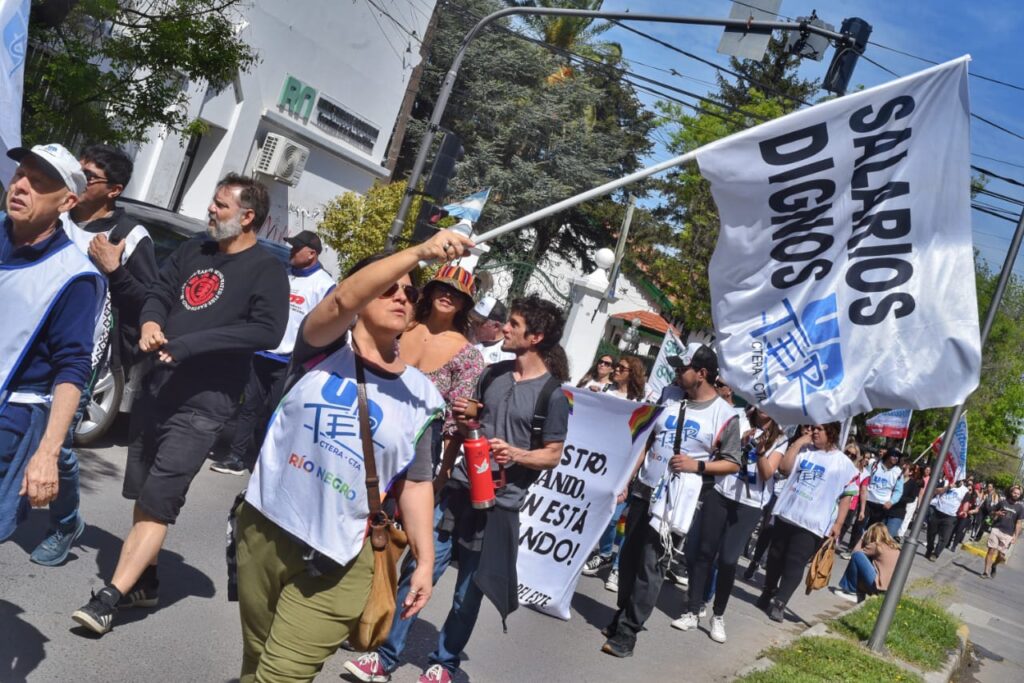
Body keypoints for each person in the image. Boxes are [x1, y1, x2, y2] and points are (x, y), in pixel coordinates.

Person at [237, 229, 473, 682]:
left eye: (410, 291)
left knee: (281, 676)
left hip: (341, 557)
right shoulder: (321, 347)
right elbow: (341, 302)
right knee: (255, 662)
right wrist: (420, 252)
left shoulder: (422, 396)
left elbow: (417, 482)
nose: (402, 296)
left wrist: (424, 561)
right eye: (387, 287)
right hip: (265, 528)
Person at [71, 174, 289, 635]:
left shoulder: (266, 270)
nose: (211, 210)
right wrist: (151, 322)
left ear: (247, 216)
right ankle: (145, 579)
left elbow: (266, 331)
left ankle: (109, 597)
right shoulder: (195, 249)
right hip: (157, 390)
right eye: (212, 203)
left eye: (220, 205)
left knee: (159, 501)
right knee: (144, 491)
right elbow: (160, 292)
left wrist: (192, 345)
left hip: (204, 404)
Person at [344, 294, 569, 683]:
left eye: (514, 324)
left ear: (536, 337)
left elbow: (552, 455)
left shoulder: (553, 396)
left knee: (468, 592)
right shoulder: (493, 373)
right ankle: (384, 657)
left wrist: (515, 453)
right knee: (417, 568)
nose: (505, 329)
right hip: (457, 491)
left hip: (500, 505)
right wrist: (462, 432)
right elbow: (469, 426)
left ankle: (443, 663)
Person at [26, 144, 157, 567]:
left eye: (90, 176)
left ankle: (65, 523)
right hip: (28, 345)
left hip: (80, 356)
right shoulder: (57, 216)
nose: (79, 181)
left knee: (58, 444)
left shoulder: (128, 236)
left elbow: (147, 306)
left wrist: (114, 269)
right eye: (77, 172)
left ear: (114, 190)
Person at [600, 343, 741, 658]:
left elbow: (732, 462)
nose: (677, 372)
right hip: (644, 490)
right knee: (630, 559)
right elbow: (647, 440)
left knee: (651, 565)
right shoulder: (669, 396)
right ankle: (623, 613)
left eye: (683, 368)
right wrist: (626, 480)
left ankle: (628, 632)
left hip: (675, 501)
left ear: (702, 373)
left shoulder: (725, 415)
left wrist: (698, 465)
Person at [0, 144, 105, 548]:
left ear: (68, 201)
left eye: (39, 182)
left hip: (11, 418)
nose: (21, 186)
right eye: (20, 175)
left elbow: (72, 367)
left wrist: (48, 453)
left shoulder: (73, 276)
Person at [212, 229, 336, 474]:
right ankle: (236, 457)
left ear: (312, 253)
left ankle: (265, 463)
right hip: (262, 353)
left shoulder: (325, 286)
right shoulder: (283, 276)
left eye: (297, 247)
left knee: (275, 412)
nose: (291, 250)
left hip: (290, 361)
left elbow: (326, 326)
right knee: (249, 407)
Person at [672, 406, 787, 643]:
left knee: (727, 559)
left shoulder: (781, 437)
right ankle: (693, 610)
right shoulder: (738, 421)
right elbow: (715, 450)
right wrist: (737, 442)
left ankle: (718, 615)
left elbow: (767, 474)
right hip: (721, 493)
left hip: (750, 503)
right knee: (704, 552)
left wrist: (762, 452)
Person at [757, 422, 858, 623]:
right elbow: (785, 469)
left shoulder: (844, 464)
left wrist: (838, 524)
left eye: (818, 429)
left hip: (812, 523)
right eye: (811, 429)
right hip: (787, 513)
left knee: (794, 564)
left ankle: (780, 602)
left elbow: (846, 496)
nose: (813, 433)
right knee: (775, 558)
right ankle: (768, 590)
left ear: (831, 433)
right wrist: (797, 444)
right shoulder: (804, 451)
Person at [399, 264, 484, 465]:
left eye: (456, 293)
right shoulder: (400, 327)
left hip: (419, 449)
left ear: (464, 304)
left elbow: (455, 422)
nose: (447, 295)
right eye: (442, 288)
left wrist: (443, 473)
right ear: (430, 292)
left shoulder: (467, 356)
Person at [831, 523, 900, 603]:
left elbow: (854, 553)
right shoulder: (895, 548)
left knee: (857, 556)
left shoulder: (877, 546)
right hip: (889, 590)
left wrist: (862, 538)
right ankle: (855, 590)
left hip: (878, 587)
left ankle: (853, 591)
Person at [860, 448, 905, 539]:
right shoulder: (875, 465)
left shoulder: (898, 473)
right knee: (859, 525)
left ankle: (864, 549)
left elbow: (899, 491)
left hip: (882, 505)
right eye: (894, 455)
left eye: (898, 457)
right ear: (888, 455)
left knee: (872, 530)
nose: (895, 458)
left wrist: (891, 501)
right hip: (868, 500)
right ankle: (851, 548)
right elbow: (865, 478)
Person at [982, 485, 1023, 579]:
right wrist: (997, 513)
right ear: (1011, 493)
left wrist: (1015, 537)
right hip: (997, 529)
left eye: (1018, 494)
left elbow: (1019, 523)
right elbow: (992, 512)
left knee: (1001, 556)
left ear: (1020, 495)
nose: (1016, 495)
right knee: (991, 550)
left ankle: (994, 565)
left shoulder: (1020, 508)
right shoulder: (1002, 502)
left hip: (1008, 534)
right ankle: (985, 572)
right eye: (1014, 492)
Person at [924, 477, 969, 561]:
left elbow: (966, 503)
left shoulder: (965, 491)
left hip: (950, 517)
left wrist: (964, 511)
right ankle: (929, 548)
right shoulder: (946, 482)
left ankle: (936, 554)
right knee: (930, 533)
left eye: (959, 480)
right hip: (937, 512)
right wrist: (948, 487)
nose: (957, 481)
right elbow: (936, 491)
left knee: (945, 538)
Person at [838, 443, 869, 558]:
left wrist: (862, 510)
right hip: (834, 502)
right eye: (847, 453)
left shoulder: (863, 473)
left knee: (842, 529)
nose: (849, 456)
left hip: (850, 506)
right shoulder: (837, 464)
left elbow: (863, 492)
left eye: (853, 455)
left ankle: (828, 549)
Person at [470, 295, 514, 366]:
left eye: (478, 323)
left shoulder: (507, 354)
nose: (473, 325)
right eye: (473, 321)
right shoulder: (469, 337)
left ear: (496, 326)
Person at [893, 464, 924, 541]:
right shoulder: (899, 478)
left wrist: (918, 504)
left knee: (907, 517)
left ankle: (899, 534)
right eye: (915, 468)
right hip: (899, 502)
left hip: (911, 500)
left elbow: (920, 494)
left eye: (917, 468)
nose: (916, 470)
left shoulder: (919, 481)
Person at [949, 483, 982, 551]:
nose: (968, 491)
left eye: (970, 490)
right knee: (952, 529)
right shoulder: (961, 495)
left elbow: (977, 509)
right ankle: (948, 543)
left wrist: (971, 511)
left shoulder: (974, 499)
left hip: (965, 517)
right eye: (967, 489)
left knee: (959, 530)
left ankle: (954, 545)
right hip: (956, 514)